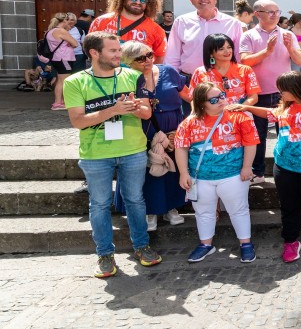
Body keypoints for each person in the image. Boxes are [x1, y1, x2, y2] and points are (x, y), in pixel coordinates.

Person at [63, 32, 162, 278]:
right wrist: (114, 109)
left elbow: (147, 114)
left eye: (119, 50)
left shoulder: (133, 76)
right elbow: (77, 121)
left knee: (136, 200)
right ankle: (105, 254)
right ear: (94, 53)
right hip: (96, 154)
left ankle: (141, 246)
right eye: (113, 51)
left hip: (133, 150)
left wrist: (135, 108)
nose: (119, 55)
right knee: (99, 205)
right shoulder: (75, 82)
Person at [230, 72, 301, 262]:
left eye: (283, 90)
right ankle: (291, 241)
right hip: (285, 168)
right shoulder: (286, 107)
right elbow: (270, 113)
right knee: (288, 207)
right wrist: (245, 107)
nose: (280, 93)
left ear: (295, 89)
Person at [175, 82, 260, 263]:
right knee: (203, 212)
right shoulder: (188, 123)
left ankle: (246, 244)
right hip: (201, 177)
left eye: (222, 95)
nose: (221, 101)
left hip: (232, 174)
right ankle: (206, 244)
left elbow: (250, 142)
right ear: (201, 103)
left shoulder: (240, 117)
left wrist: (247, 167)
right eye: (214, 99)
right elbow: (181, 148)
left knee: (238, 210)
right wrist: (183, 173)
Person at [113, 41, 189, 231]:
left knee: (172, 168)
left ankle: (171, 208)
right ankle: (150, 211)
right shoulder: (126, 78)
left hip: (172, 128)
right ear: (128, 62)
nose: (147, 60)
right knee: (148, 170)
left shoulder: (168, 71)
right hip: (143, 129)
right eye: (140, 58)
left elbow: (190, 96)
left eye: (149, 55)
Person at [238, 0, 301, 184]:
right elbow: (244, 61)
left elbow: (298, 61)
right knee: (258, 135)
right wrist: (266, 52)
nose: (275, 15)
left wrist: (290, 47)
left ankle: (291, 167)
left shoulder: (286, 34)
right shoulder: (249, 35)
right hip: (258, 92)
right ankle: (258, 172)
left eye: (277, 11)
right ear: (257, 14)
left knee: (290, 131)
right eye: (270, 12)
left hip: (285, 93)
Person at [189, 34, 261, 180]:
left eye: (229, 47)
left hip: (239, 120)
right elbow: (193, 98)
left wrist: (238, 108)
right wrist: (195, 115)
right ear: (211, 52)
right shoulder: (200, 72)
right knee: (213, 154)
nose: (227, 51)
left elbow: (254, 97)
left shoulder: (245, 70)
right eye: (221, 48)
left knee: (240, 154)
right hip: (209, 121)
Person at [164, 0, 244, 82]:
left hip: (223, 80)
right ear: (191, 1)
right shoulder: (181, 22)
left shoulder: (233, 23)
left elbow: (238, 56)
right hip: (189, 80)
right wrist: (174, 81)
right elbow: (172, 55)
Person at [89, 0, 167, 64]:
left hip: (138, 76)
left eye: (143, 0)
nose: (138, 2)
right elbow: (90, 48)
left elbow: (159, 58)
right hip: (106, 75)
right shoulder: (101, 22)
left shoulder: (156, 29)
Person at [44, 12, 79, 110]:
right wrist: (70, 43)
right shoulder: (61, 31)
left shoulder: (50, 31)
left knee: (60, 80)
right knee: (64, 81)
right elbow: (75, 43)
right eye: (68, 21)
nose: (69, 23)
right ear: (64, 20)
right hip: (64, 58)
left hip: (57, 58)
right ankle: (58, 103)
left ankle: (59, 102)